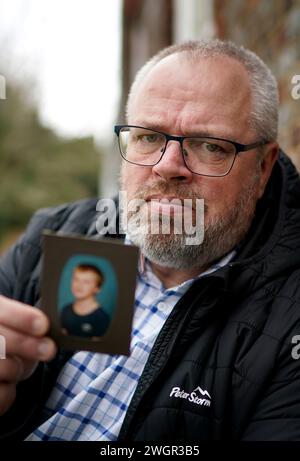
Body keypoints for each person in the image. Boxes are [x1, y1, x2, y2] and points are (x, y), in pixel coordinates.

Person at [0, 38, 300, 442]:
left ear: (263, 168)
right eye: (147, 137)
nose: (167, 166)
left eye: (209, 145)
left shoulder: (289, 319)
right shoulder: (50, 235)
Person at [60, 264, 110, 338]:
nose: (79, 285)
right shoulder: (66, 310)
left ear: (97, 288)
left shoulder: (102, 318)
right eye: (76, 279)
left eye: (86, 282)